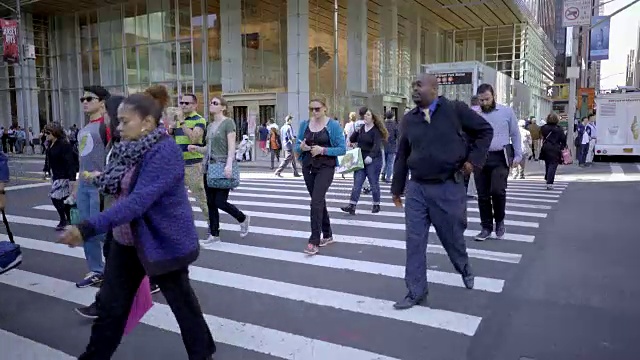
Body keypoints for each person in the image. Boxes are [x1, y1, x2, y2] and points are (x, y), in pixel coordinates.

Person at [59, 92, 216, 359]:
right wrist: (101, 179)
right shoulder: (126, 149)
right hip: (125, 241)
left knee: (182, 305)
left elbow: (138, 201)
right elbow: (118, 184)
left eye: (124, 121)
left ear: (147, 122)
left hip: (162, 242)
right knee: (111, 309)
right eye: (117, 121)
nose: (118, 127)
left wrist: (87, 227)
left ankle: (202, 353)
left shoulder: (164, 151)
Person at [390, 73, 493, 310]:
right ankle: (416, 291)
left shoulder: (454, 110)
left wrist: (472, 161)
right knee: (414, 242)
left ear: (434, 89)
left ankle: (463, 265)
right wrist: (397, 188)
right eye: (412, 85)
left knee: (452, 238)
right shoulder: (408, 120)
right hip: (417, 189)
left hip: (448, 187)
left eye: (419, 85)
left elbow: (484, 131)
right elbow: (402, 155)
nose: (414, 89)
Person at [188, 96, 250, 245]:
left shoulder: (228, 123)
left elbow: (231, 146)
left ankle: (242, 218)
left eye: (215, 103)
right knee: (210, 203)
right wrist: (197, 148)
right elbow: (208, 149)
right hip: (209, 167)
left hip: (223, 166)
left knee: (220, 202)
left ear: (223, 107)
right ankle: (214, 235)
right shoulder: (210, 126)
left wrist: (229, 164)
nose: (211, 105)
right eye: (211, 103)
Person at [72, 85, 111, 288]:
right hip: (85, 186)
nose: (85, 102)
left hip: (101, 186)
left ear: (102, 103)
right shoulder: (84, 129)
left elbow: (115, 156)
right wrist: (76, 185)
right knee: (86, 229)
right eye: (83, 99)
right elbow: (82, 160)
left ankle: (138, 266)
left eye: (90, 99)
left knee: (104, 231)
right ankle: (96, 270)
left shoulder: (107, 125)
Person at [295, 97, 346, 255]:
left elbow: (342, 149)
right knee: (318, 201)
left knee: (316, 202)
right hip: (308, 166)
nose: (314, 112)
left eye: (317, 109)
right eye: (311, 109)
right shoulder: (305, 124)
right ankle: (328, 233)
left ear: (325, 108)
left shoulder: (334, 125)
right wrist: (302, 148)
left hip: (326, 167)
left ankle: (314, 240)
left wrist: (323, 150)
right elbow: (297, 145)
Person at [473, 83, 522, 242]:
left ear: (493, 96)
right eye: (481, 100)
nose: (484, 103)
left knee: (497, 190)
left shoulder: (506, 112)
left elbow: (515, 134)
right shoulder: (473, 113)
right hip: (480, 158)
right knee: (482, 195)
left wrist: (518, 155)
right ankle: (486, 227)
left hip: (500, 157)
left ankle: (499, 220)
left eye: (487, 99)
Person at [340, 106, 388, 215]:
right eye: (364, 115)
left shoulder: (376, 131)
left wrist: (370, 156)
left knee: (373, 182)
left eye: (368, 115)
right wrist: (356, 131)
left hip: (373, 160)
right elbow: (352, 139)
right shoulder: (361, 128)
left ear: (373, 118)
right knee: (357, 183)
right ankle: (352, 205)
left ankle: (376, 204)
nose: (365, 117)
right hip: (360, 159)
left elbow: (376, 146)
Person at [42, 122, 76, 230]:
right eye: (45, 132)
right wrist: (46, 169)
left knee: (55, 197)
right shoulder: (50, 143)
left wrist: (72, 178)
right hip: (55, 174)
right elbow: (48, 158)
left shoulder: (63, 144)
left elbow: (70, 162)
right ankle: (68, 220)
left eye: (48, 132)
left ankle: (63, 219)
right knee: (64, 198)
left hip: (63, 175)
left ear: (55, 133)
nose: (46, 135)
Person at [539, 113, 567, 190]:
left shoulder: (543, 127)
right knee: (553, 165)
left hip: (546, 147)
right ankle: (549, 182)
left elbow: (541, 136)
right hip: (555, 147)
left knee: (547, 163)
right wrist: (563, 146)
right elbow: (563, 139)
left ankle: (547, 176)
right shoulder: (559, 128)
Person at [381, 110, 398, 183]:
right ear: (393, 116)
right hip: (392, 145)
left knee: (385, 161)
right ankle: (388, 177)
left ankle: (383, 174)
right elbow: (397, 135)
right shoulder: (395, 124)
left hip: (383, 145)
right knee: (390, 162)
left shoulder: (383, 124)